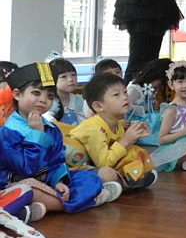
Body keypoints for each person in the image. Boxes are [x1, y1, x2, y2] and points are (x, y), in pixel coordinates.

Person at [0, 63, 122, 214]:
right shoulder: (7, 132)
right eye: (36, 93)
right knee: (28, 189)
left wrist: (58, 181)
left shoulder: (51, 128)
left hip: (47, 182)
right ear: (17, 95)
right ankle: (82, 201)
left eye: (49, 96)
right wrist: (37, 134)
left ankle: (41, 206)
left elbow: (57, 161)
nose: (43, 100)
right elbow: (27, 169)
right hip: (18, 182)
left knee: (89, 179)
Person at [69, 73, 157, 191]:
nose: (125, 97)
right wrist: (126, 140)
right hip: (73, 170)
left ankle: (123, 182)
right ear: (98, 106)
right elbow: (103, 163)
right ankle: (122, 183)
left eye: (125, 92)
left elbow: (119, 153)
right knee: (107, 174)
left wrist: (133, 137)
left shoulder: (117, 124)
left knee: (136, 151)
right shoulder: (94, 129)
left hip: (95, 165)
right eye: (116, 95)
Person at [150, 61, 186, 172]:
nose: (185, 85)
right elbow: (161, 139)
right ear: (171, 84)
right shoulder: (172, 110)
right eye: (180, 82)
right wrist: (184, 132)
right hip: (178, 147)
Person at [42, 58, 85, 125]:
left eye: (73, 75)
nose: (71, 79)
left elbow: (83, 122)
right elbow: (47, 118)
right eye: (63, 76)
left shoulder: (78, 100)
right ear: (52, 80)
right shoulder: (49, 101)